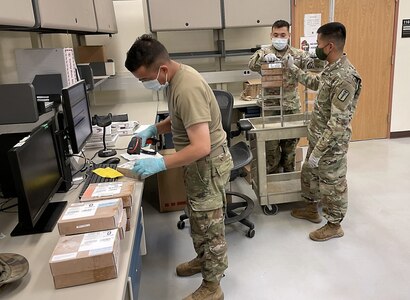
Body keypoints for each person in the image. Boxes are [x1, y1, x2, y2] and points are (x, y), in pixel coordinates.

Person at [125, 34, 233, 300]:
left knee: (210, 226)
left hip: (207, 164)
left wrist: (160, 163)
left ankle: (212, 286)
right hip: (197, 166)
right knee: (198, 218)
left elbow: (201, 147)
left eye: (144, 79)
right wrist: (153, 129)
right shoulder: (175, 77)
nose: (144, 84)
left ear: (161, 69)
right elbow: (179, 118)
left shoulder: (186, 87)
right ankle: (202, 260)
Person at [285, 22, 362, 241]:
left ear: (329, 46)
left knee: (332, 183)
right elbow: (315, 82)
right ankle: (311, 209)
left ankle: (334, 224)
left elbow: (338, 122)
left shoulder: (346, 77)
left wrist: (319, 152)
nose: (315, 47)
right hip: (318, 139)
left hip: (331, 145)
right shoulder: (331, 68)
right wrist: (295, 70)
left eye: (318, 43)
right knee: (309, 175)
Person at [249, 20, 323, 174]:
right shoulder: (264, 52)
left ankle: (288, 179)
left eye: (283, 35)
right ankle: (272, 186)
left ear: (289, 35)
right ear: (271, 35)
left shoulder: (297, 54)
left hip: (291, 107)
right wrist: (263, 59)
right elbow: (251, 64)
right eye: (276, 35)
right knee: (271, 151)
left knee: (290, 151)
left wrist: (317, 56)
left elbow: (317, 67)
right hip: (270, 108)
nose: (279, 38)